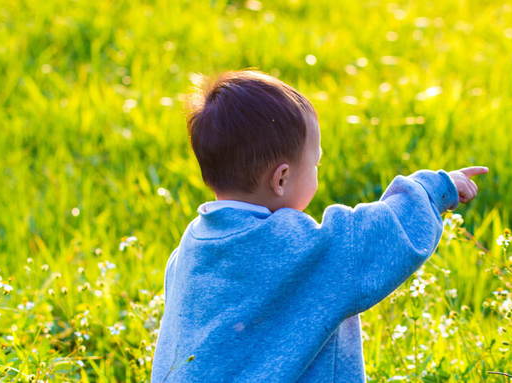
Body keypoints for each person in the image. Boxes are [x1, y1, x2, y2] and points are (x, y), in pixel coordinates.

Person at [151, 70, 488, 382]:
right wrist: (433, 190)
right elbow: (374, 235)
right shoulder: (297, 247)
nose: (317, 171)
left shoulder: (189, 251)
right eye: (316, 163)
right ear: (281, 178)